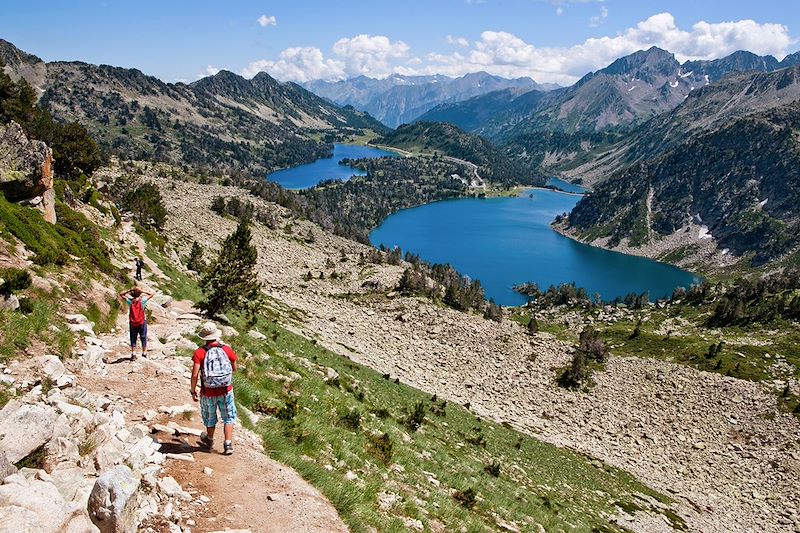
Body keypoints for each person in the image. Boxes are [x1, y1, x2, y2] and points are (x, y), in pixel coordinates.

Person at [191, 322, 237, 455]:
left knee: (210, 416)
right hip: (226, 390)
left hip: (208, 392)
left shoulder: (200, 352)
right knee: (228, 416)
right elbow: (234, 368)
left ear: (204, 337)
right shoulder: (226, 349)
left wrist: (193, 390)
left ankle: (210, 439)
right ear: (216, 335)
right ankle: (228, 444)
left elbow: (195, 374)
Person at [119, 286, 154, 360]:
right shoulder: (142, 301)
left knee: (133, 337)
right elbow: (152, 294)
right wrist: (142, 291)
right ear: (139, 293)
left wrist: (129, 290)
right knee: (143, 336)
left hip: (133, 322)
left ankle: (133, 353)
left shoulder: (130, 301)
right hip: (141, 321)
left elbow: (121, 294)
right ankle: (144, 353)